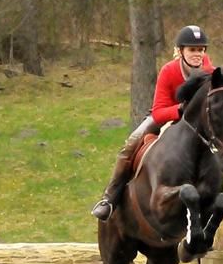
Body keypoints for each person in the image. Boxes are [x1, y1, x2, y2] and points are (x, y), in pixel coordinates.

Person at [91, 25, 214, 220]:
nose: (197, 54)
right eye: (192, 49)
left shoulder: (209, 70)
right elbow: (158, 112)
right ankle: (109, 199)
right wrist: (180, 110)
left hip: (196, 126)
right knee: (130, 144)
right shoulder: (169, 71)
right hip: (167, 117)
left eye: (201, 49)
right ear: (180, 51)